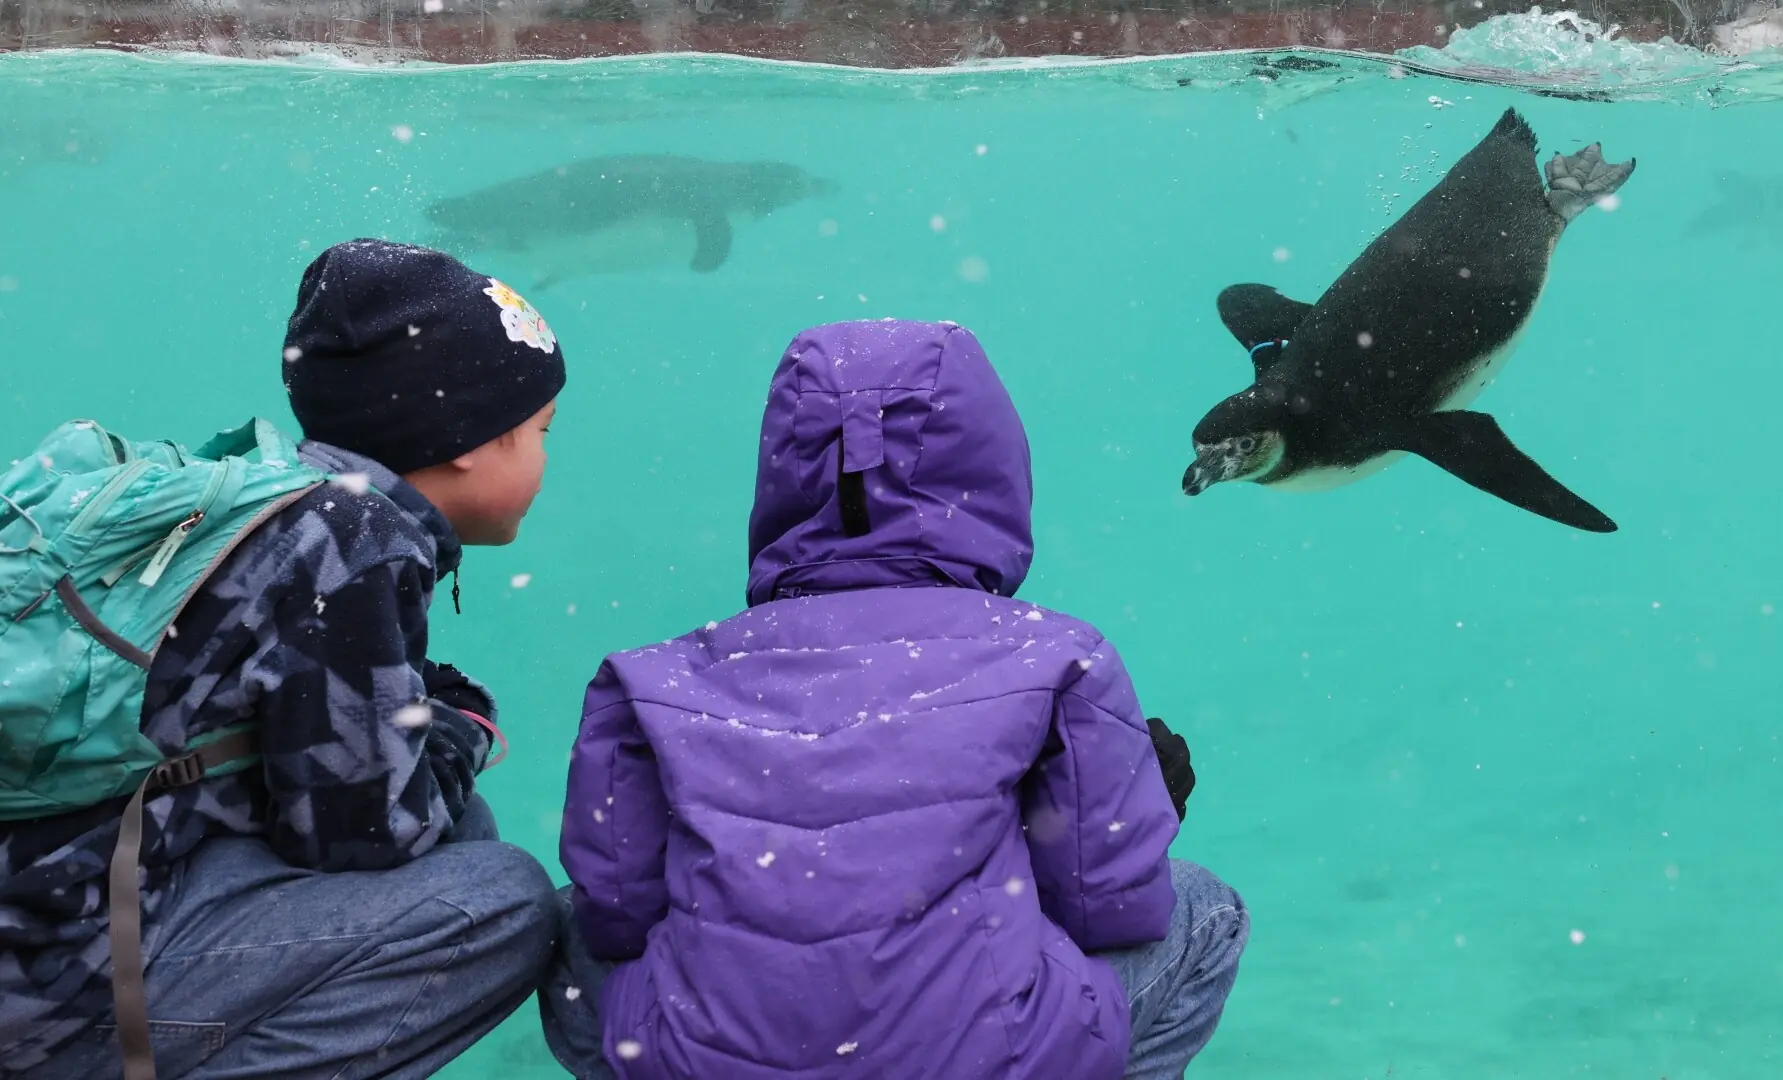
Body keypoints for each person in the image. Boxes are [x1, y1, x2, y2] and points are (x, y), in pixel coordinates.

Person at [540, 319, 1248, 1080]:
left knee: (559, 923)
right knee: (1205, 907)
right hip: (991, 1062)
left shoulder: (655, 676)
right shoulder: (1060, 656)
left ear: (780, 477)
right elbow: (1109, 906)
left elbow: (615, 914)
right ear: (999, 474)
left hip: (693, 1063)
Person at [0, 239, 564, 1079]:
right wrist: (465, 726)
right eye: (539, 433)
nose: (546, 460)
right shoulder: (354, 537)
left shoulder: (267, 500)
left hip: (38, 918)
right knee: (500, 901)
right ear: (466, 441)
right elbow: (368, 834)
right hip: (52, 983)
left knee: (462, 836)